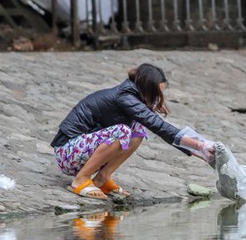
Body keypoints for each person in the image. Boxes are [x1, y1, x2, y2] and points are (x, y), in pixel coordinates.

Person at [51, 63, 213, 200]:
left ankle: (101, 178)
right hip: (67, 153)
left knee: (138, 130)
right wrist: (200, 144)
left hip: (81, 153)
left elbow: (157, 127)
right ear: (146, 88)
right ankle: (81, 180)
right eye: (156, 94)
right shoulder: (124, 97)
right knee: (122, 131)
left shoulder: (133, 98)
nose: (158, 98)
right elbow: (159, 125)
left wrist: (200, 153)